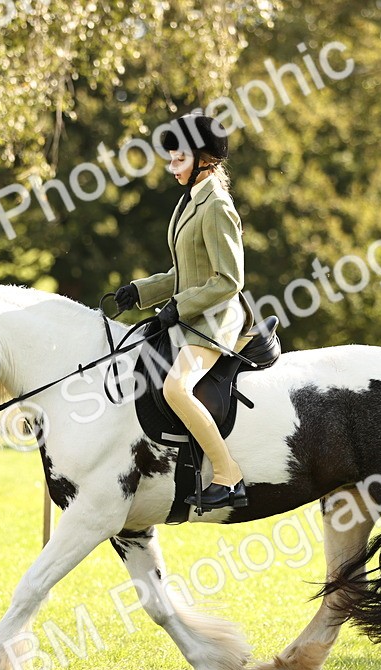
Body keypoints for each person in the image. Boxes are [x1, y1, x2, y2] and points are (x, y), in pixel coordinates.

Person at [114, 112, 255, 510]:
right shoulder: (189, 202)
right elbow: (185, 272)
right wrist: (140, 291)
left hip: (216, 321)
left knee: (175, 387)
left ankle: (228, 475)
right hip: (190, 314)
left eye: (179, 161)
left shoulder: (217, 206)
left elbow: (229, 279)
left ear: (204, 161)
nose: (171, 167)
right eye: (171, 160)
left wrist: (180, 305)